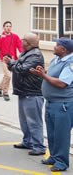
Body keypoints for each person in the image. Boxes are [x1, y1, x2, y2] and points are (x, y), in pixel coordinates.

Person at [30, 38, 73, 172]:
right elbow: (50, 74)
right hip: (51, 103)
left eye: (57, 45)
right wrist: (41, 72)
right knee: (52, 133)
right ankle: (54, 157)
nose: (54, 47)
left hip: (63, 104)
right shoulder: (57, 59)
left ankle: (61, 162)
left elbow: (62, 83)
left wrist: (44, 76)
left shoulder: (70, 63)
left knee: (61, 134)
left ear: (64, 49)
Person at [5, 33, 46, 155]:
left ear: (29, 43)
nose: (21, 42)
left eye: (23, 40)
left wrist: (12, 62)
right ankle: (28, 141)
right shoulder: (26, 53)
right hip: (24, 91)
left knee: (34, 121)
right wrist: (12, 63)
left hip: (32, 93)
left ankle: (39, 146)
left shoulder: (36, 55)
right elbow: (19, 66)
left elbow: (22, 69)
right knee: (24, 120)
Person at [0, 21, 23, 101]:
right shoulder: (0, 36)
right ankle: (5, 92)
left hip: (13, 60)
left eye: (10, 26)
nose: (8, 27)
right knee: (8, 76)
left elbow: (20, 46)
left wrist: (23, 53)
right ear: (3, 27)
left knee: (6, 76)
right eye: (6, 26)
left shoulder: (15, 36)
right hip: (4, 59)